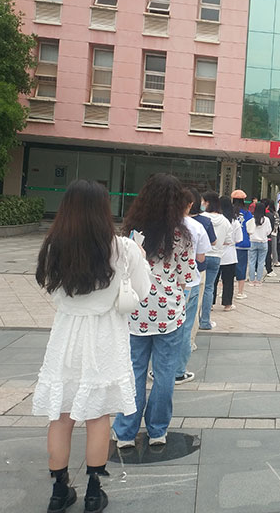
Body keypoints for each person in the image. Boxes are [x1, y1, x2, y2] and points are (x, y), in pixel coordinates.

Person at [33, 180, 150, 513]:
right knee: (98, 415)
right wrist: (139, 257)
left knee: (61, 415)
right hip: (105, 337)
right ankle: (95, 492)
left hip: (66, 337)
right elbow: (141, 291)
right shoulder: (122, 248)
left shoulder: (54, 246)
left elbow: (52, 289)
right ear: (103, 209)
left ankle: (59, 492)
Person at [113, 173, 197, 449]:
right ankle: (158, 430)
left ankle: (125, 432)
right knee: (165, 373)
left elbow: (121, 270)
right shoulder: (182, 236)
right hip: (169, 312)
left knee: (133, 371)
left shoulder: (131, 232)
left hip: (135, 311)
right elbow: (187, 277)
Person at [168, 187, 211, 385]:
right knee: (185, 327)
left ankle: (160, 368)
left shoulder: (159, 223)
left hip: (161, 284)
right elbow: (201, 257)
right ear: (190, 204)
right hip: (189, 281)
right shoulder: (196, 227)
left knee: (164, 327)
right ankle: (179, 371)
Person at [187, 188, 216, 349]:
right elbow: (207, 248)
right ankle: (190, 341)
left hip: (174, 272)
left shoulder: (172, 221)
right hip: (197, 270)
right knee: (194, 306)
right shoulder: (204, 222)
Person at [199, 191, 231, 330]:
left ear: (207, 202)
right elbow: (229, 240)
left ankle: (195, 320)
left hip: (201, 255)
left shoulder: (202, 218)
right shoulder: (225, 220)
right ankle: (205, 321)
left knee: (197, 287)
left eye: (202, 201)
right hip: (216, 256)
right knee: (209, 288)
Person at [213, 196, 242, 311]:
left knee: (213, 281)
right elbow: (239, 239)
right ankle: (227, 304)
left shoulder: (214, 220)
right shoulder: (235, 222)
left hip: (215, 252)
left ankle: (210, 303)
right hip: (230, 255)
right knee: (228, 281)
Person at [246, 200, 272, 286]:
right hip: (263, 242)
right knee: (261, 262)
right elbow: (269, 231)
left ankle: (251, 280)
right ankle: (258, 281)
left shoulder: (252, 219)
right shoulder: (266, 220)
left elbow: (248, 230)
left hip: (252, 242)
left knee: (251, 262)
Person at [232, 190, 252, 300]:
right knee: (241, 267)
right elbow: (251, 229)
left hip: (230, 244)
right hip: (243, 244)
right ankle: (240, 292)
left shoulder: (228, 212)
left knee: (228, 268)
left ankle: (224, 291)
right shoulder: (247, 213)